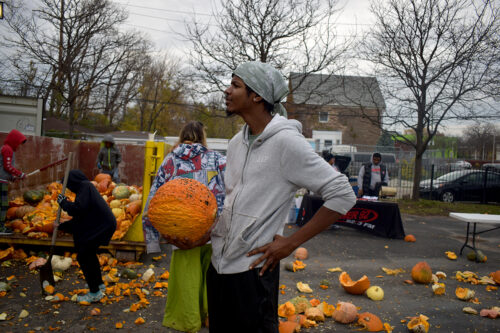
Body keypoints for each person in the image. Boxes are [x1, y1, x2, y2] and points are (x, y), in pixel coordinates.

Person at [205, 61, 356, 332]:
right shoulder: (235, 143)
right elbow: (232, 201)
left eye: (235, 85)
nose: (227, 91)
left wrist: (290, 243)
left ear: (257, 95)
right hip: (217, 268)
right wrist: (205, 232)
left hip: (253, 273)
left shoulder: (287, 143)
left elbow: (342, 194)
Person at [142, 121, 226, 333]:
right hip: (210, 230)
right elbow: (231, 191)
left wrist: (153, 241)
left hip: (180, 231)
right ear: (202, 137)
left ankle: (188, 322)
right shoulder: (217, 158)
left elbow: (153, 201)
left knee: (187, 279)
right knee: (211, 276)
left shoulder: (170, 161)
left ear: (181, 136)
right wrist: (223, 226)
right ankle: (211, 318)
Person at [57, 170, 117, 303]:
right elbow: (81, 217)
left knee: (84, 255)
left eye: (68, 185)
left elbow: (78, 209)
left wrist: (65, 204)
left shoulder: (84, 187)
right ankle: (98, 284)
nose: (68, 188)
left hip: (101, 225)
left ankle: (95, 292)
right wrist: (62, 226)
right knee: (89, 253)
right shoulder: (85, 188)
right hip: (101, 224)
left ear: (72, 182)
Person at [0, 129, 27, 235]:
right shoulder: (7, 149)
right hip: (1, 181)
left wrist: (12, 178)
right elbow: (7, 166)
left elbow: (4, 168)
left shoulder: (7, 149)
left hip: (3, 180)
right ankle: (1, 228)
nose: (19, 146)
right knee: (3, 204)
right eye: (19, 143)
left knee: (3, 204)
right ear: (14, 140)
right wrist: (20, 174)